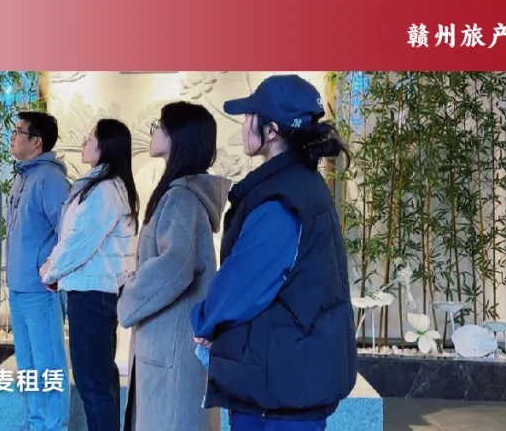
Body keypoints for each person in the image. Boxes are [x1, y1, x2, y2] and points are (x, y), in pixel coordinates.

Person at [190, 75, 357, 431]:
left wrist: (205, 320)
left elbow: (244, 281)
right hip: (285, 376)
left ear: (271, 131)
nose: (243, 126)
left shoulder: (281, 199)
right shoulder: (301, 185)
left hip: (279, 387)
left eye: (249, 117)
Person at [117, 101, 229, 431]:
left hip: (170, 344)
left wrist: (128, 294)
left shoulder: (180, 198)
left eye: (160, 126)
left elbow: (175, 267)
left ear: (178, 137)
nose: (154, 132)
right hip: (171, 340)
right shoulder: (184, 194)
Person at [40, 119, 139, 431]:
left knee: (93, 385)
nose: (84, 142)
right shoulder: (105, 184)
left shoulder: (105, 189)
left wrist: (51, 271)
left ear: (106, 145)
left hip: (92, 295)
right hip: (94, 292)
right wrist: (55, 269)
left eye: (90, 137)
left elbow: (80, 241)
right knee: (98, 381)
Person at [6, 111, 71, 431]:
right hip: (19, 288)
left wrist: (52, 273)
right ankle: (37, 423)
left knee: (49, 364)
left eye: (19, 132)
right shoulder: (23, 176)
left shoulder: (50, 179)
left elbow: (68, 232)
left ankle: (54, 426)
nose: (12, 136)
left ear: (36, 142)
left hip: (40, 290)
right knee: (29, 365)